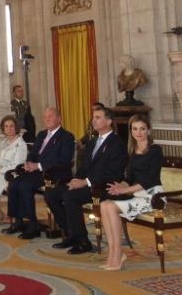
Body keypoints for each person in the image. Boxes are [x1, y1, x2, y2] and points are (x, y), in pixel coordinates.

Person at [45, 106, 127, 254]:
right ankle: (71, 233)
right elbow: (83, 167)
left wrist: (85, 182)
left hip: (103, 186)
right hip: (86, 183)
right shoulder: (93, 141)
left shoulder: (117, 143)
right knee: (51, 194)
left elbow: (113, 174)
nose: (93, 121)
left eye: (97, 118)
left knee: (70, 197)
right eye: (93, 117)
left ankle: (83, 241)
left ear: (108, 121)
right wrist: (75, 180)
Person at [99, 115, 163, 270]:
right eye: (135, 129)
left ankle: (118, 253)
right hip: (137, 194)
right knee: (104, 205)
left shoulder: (155, 150)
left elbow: (150, 180)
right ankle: (113, 252)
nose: (138, 132)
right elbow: (129, 177)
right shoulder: (133, 151)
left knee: (111, 207)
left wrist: (126, 190)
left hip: (153, 196)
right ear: (131, 131)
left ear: (148, 130)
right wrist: (119, 186)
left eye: (142, 129)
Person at [2, 107, 75, 239]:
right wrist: (28, 163)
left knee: (25, 185)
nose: (47, 119)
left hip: (54, 173)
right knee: (14, 184)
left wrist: (39, 166)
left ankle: (33, 225)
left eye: (50, 116)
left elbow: (63, 160)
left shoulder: (67, 136)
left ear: (59, 118)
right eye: (45, 117)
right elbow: (34, 153)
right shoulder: (41, 134)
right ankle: (18, 221)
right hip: (36, 172)